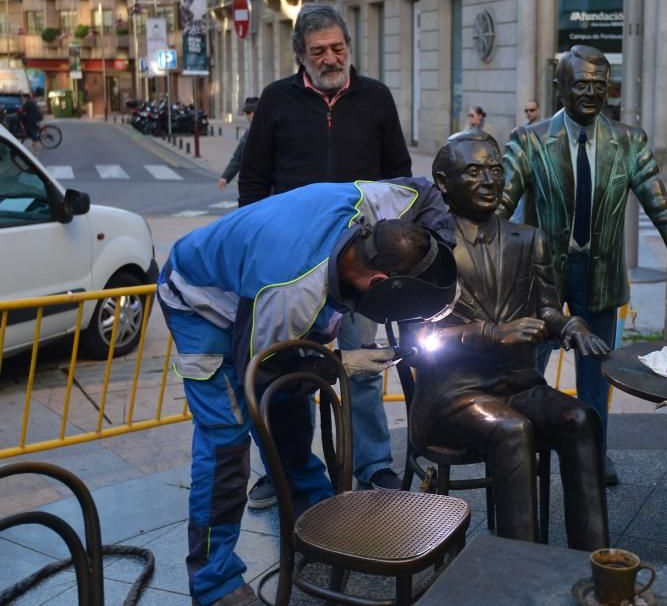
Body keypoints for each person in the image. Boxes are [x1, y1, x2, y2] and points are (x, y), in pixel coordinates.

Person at [158, 178, 456, 606]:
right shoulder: (291, 296)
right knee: (228, 435)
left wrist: (439, 247)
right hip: (198, 300)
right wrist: (336, 364)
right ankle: (213, 580)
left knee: (291, 408)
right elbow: (258, 375)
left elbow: (426, 192)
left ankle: (312, 515)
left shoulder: (374, 206)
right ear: (376, 281)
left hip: (260, 286)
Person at [237, 2, 411, 496]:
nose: (331, 59)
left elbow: (397, 175)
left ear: (348, 48)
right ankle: (282, 469)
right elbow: (254, 181)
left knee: (362, 362)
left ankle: (373, 464)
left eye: (338, 48)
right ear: (301, 55)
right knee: (288, 367)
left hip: (360, 262)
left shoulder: (376, 98)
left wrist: (389, 245)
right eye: (319, 51)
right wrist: (266, 242)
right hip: (295, 265)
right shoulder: (276, 100)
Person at [409, 129, 609, 549]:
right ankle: (519, 573)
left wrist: (570, 326)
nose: (489, 181)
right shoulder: (428, 247)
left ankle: (596, 565)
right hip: (453, 395)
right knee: (511, 430)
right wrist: (490, 333)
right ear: (443, 182)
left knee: (581, 419)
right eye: (474, 171)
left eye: (496, 170)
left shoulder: (528, 238)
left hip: (520, 385)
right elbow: (419, 338)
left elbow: (547, 309)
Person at [498, 45, 667, 485]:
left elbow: (659, 205)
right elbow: (501, 206)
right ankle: (520, 444)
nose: (590, 93)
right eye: (580, 84)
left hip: (599, 274)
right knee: (529, 368)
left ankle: (594, 452)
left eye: (599, 86)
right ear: (559, 88)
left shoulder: (629, 141)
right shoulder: (529, 140)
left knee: (596, 373)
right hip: (540, 278)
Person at [217, 97, 258, 191]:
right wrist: (226, 176)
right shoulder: (248, 133)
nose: (250, 115)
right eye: (248, 113)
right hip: (248, 184)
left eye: (252, 112)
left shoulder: (269, 132)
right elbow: (238, 157)